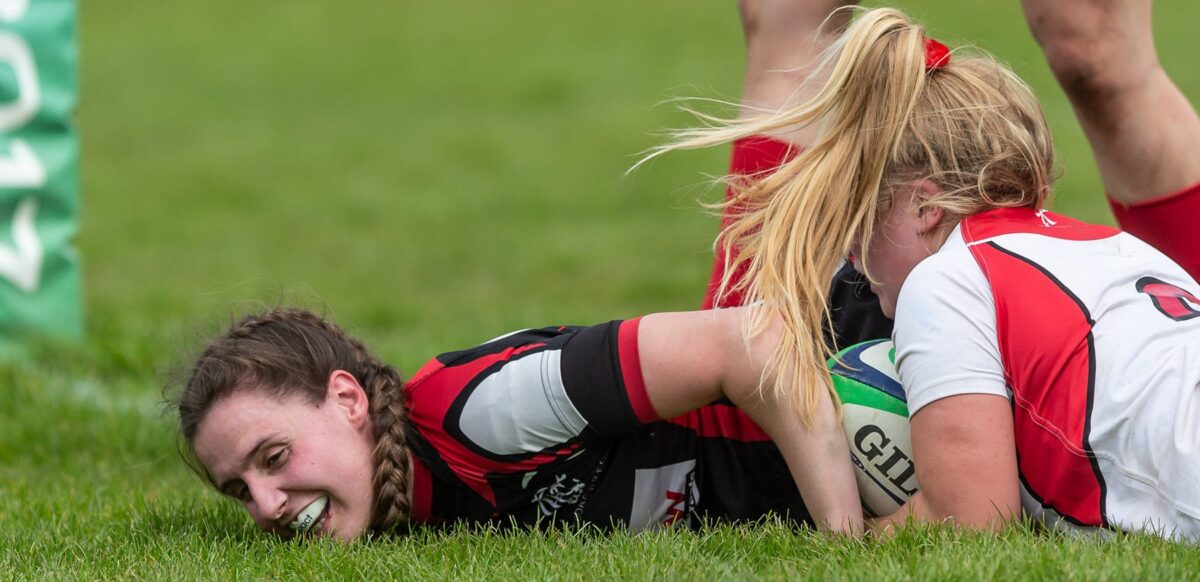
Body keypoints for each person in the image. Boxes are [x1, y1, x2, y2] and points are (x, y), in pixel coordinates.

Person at [664, 4, 1200, 540]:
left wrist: (855, 535)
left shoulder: (943, 281)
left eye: (859, 216)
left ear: (926, 207)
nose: (849, 254)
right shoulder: (1118, 246)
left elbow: (971, 520)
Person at [175, 305, 862, 540]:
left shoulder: (482, 410)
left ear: (348, 401)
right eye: (239, 490)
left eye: (273, 458)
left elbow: (756, 339)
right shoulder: (399, 508)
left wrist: (843, 543)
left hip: (842, 416)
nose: (266, 507)